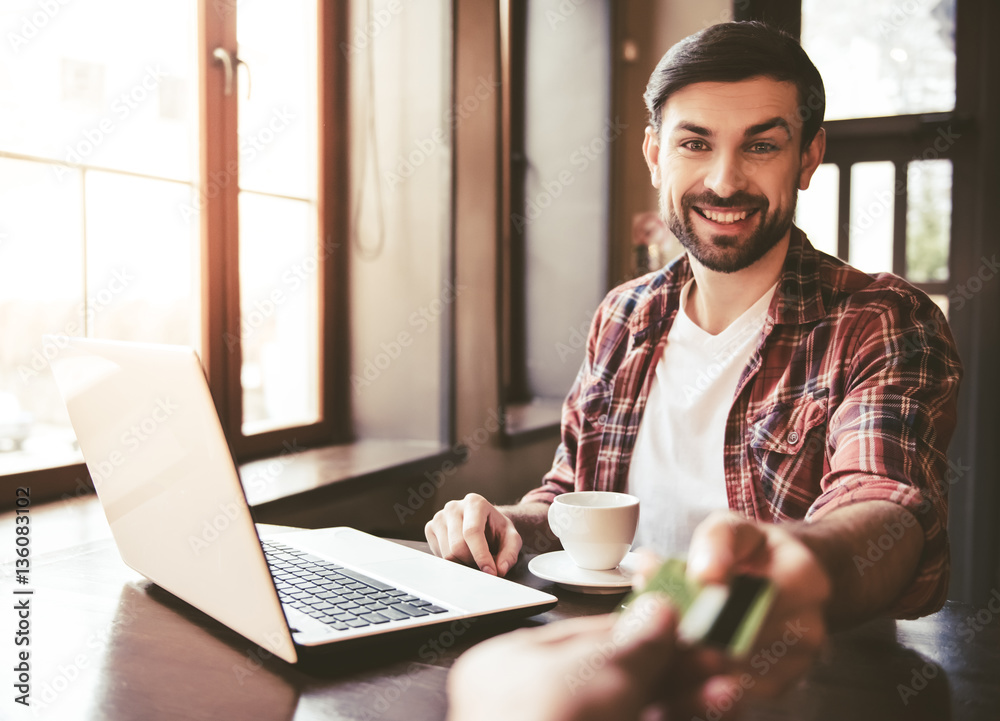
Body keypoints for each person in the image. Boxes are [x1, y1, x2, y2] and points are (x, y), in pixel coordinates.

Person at [430, 20, 963, 714]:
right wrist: (500, 524)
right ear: (656, 153)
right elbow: (570, 494)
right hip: (610, 672)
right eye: (694, 142)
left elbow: (885, 507)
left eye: (762, 145)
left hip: (799, 691)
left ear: (807, 157)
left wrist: (798, 568)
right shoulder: (623, 316)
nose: (724, 180)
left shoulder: (883, 320)